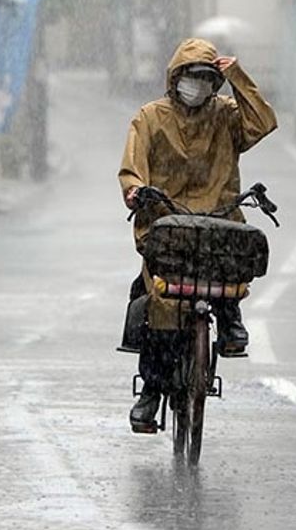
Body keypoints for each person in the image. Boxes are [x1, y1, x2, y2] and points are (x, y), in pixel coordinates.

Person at [118, 37, 278, 431]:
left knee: (232, 270)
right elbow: (132, 167)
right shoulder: (149, 118)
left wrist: (237, 75)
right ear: (176, 78)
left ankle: (230, 317)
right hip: (166, 227)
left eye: (207, 78)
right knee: (158, 303)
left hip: (219, 226)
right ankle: (151, 392)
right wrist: (135, 190)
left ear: (216, 82)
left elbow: (263, 122)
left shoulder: (225, 115)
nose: (198, 85)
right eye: (191, 76)